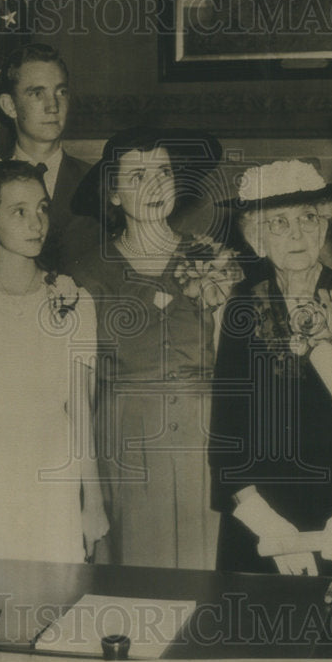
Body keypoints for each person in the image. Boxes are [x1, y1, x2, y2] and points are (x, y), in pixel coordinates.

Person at [68, 126, 232, 570]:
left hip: (205, 446)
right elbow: (76, 397)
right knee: (140, 585)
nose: (156, 185)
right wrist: (88, 493)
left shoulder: (211, 258)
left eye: (163, 171)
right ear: (114, 195)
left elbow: (233, 366)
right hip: (127, 449)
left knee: (208, 583)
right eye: (137, 177)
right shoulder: (86, 274)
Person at [0, 160, 108, 562]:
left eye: (42, 208)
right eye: (19, 211)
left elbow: (81, 411)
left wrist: (92, 503)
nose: (36, 223)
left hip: (53, 466)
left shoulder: (73, 301)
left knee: (55, 600)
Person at [209, 160, 332, 577]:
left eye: (308, 218)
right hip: (259, 520)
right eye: (279, 223)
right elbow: (227, 433)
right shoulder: (244, 306)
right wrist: (265, 523)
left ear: (325, 225)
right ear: (257, 238)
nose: (298, 233)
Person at [0, 43, 95, 271]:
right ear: (9, 106)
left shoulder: (101, 182)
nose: (52, 106)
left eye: (61, 92)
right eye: (37, 93)